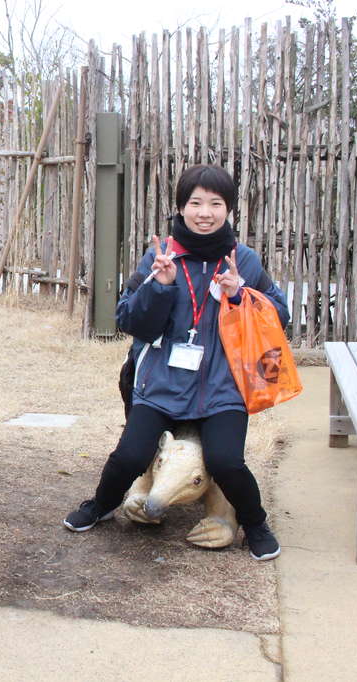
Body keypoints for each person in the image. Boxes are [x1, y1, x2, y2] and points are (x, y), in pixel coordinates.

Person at [63, 164, 290, 562]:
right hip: (162, 384)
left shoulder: (245, 261)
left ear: (228, 210)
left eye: (215, 204)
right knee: (130, 456)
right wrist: (161, 287)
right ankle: (100, 505)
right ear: (181, 208)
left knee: (226, 462)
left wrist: (241, 296)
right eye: (195, 202)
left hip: (222, 388)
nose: (205, 212)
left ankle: (255, 524)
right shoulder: (159, 255)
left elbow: (281, 316)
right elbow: (130, 321)